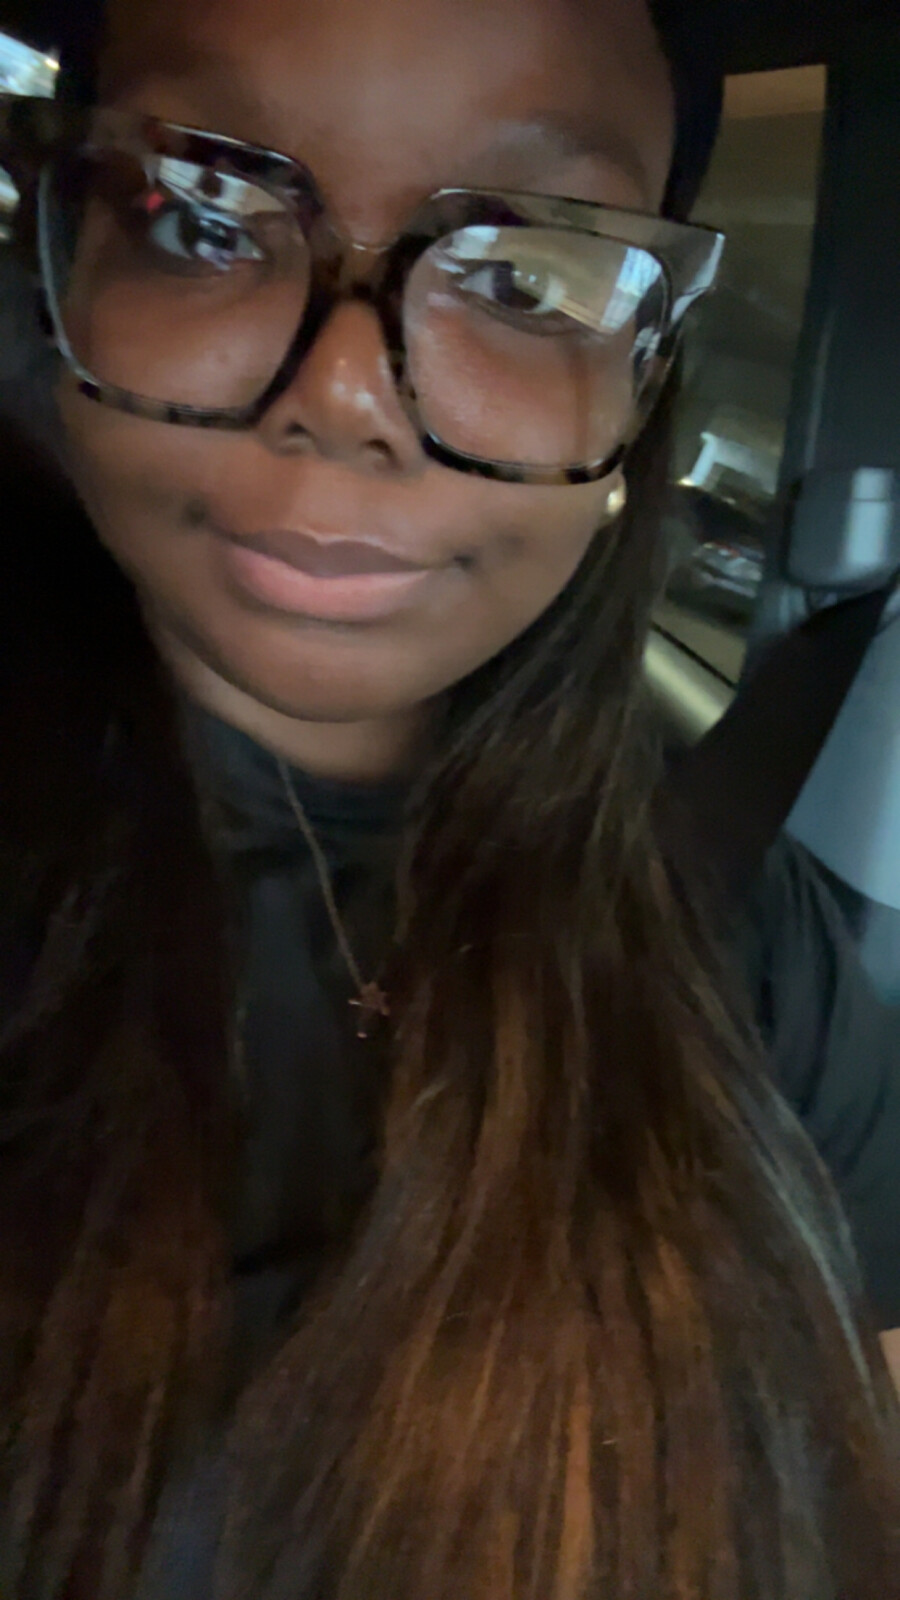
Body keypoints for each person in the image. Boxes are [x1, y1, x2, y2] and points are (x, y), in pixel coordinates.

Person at [0, 1, 897, 1596]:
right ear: (58, 264)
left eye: (523, 279)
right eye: (202, 217)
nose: (344, 395)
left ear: (644, 373)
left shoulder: (758, 958)